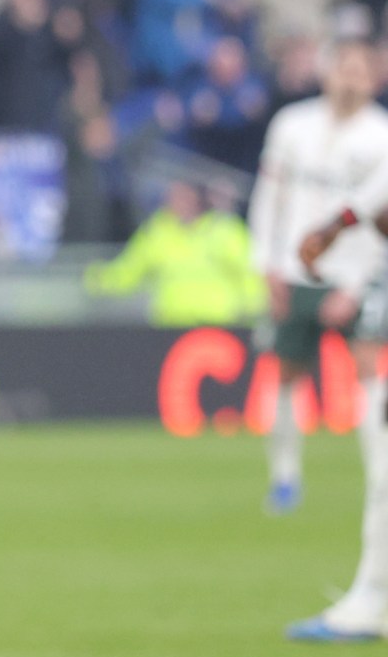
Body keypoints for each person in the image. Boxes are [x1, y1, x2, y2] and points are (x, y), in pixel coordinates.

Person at [245, 38, 388, 516]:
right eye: (343, 68)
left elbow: (380, 221)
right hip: (295, 270)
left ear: (374, 79)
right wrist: (267, 262)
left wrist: (357, 284)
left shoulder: (381, 136)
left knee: (370, 367)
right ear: (327, 73)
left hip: (356, 275)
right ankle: (284, 479)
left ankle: (379, 478)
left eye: (360, 71)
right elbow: (270, 198)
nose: (350, 79)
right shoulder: (292, 125)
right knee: (287, 372)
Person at [84, 181, 264, 327]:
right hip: (170, 325)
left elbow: (250, 272)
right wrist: (100, 279)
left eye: (184, 196)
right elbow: (131, 269)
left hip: (220, 324)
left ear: (197, 199)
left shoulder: (225, 230)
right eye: (173, 197)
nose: (178, 202)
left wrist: (253, 311)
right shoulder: (158, 231)